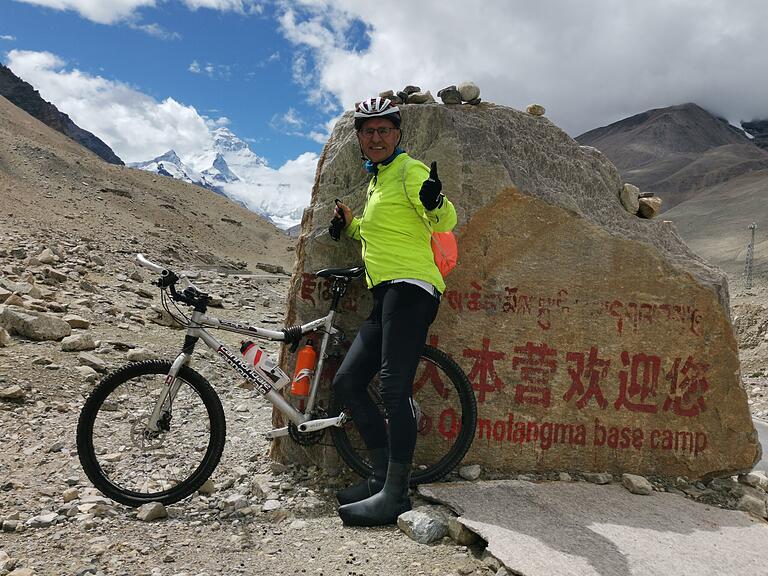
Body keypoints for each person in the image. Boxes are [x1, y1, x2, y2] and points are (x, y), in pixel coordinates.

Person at [328, 96, 457, 526]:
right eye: (368, 131)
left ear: (397, 134)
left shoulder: (409, 171)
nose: (376, 137)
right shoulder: (378, 180)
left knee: (392, 388)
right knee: (347, 382)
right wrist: (349, 225)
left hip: (413, 288)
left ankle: (396, 495)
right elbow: (380, 230)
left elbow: (443, 221)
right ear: (360, 140)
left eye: (384, 130)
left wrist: (436, 200)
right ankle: (382, 476)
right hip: (384, 294)